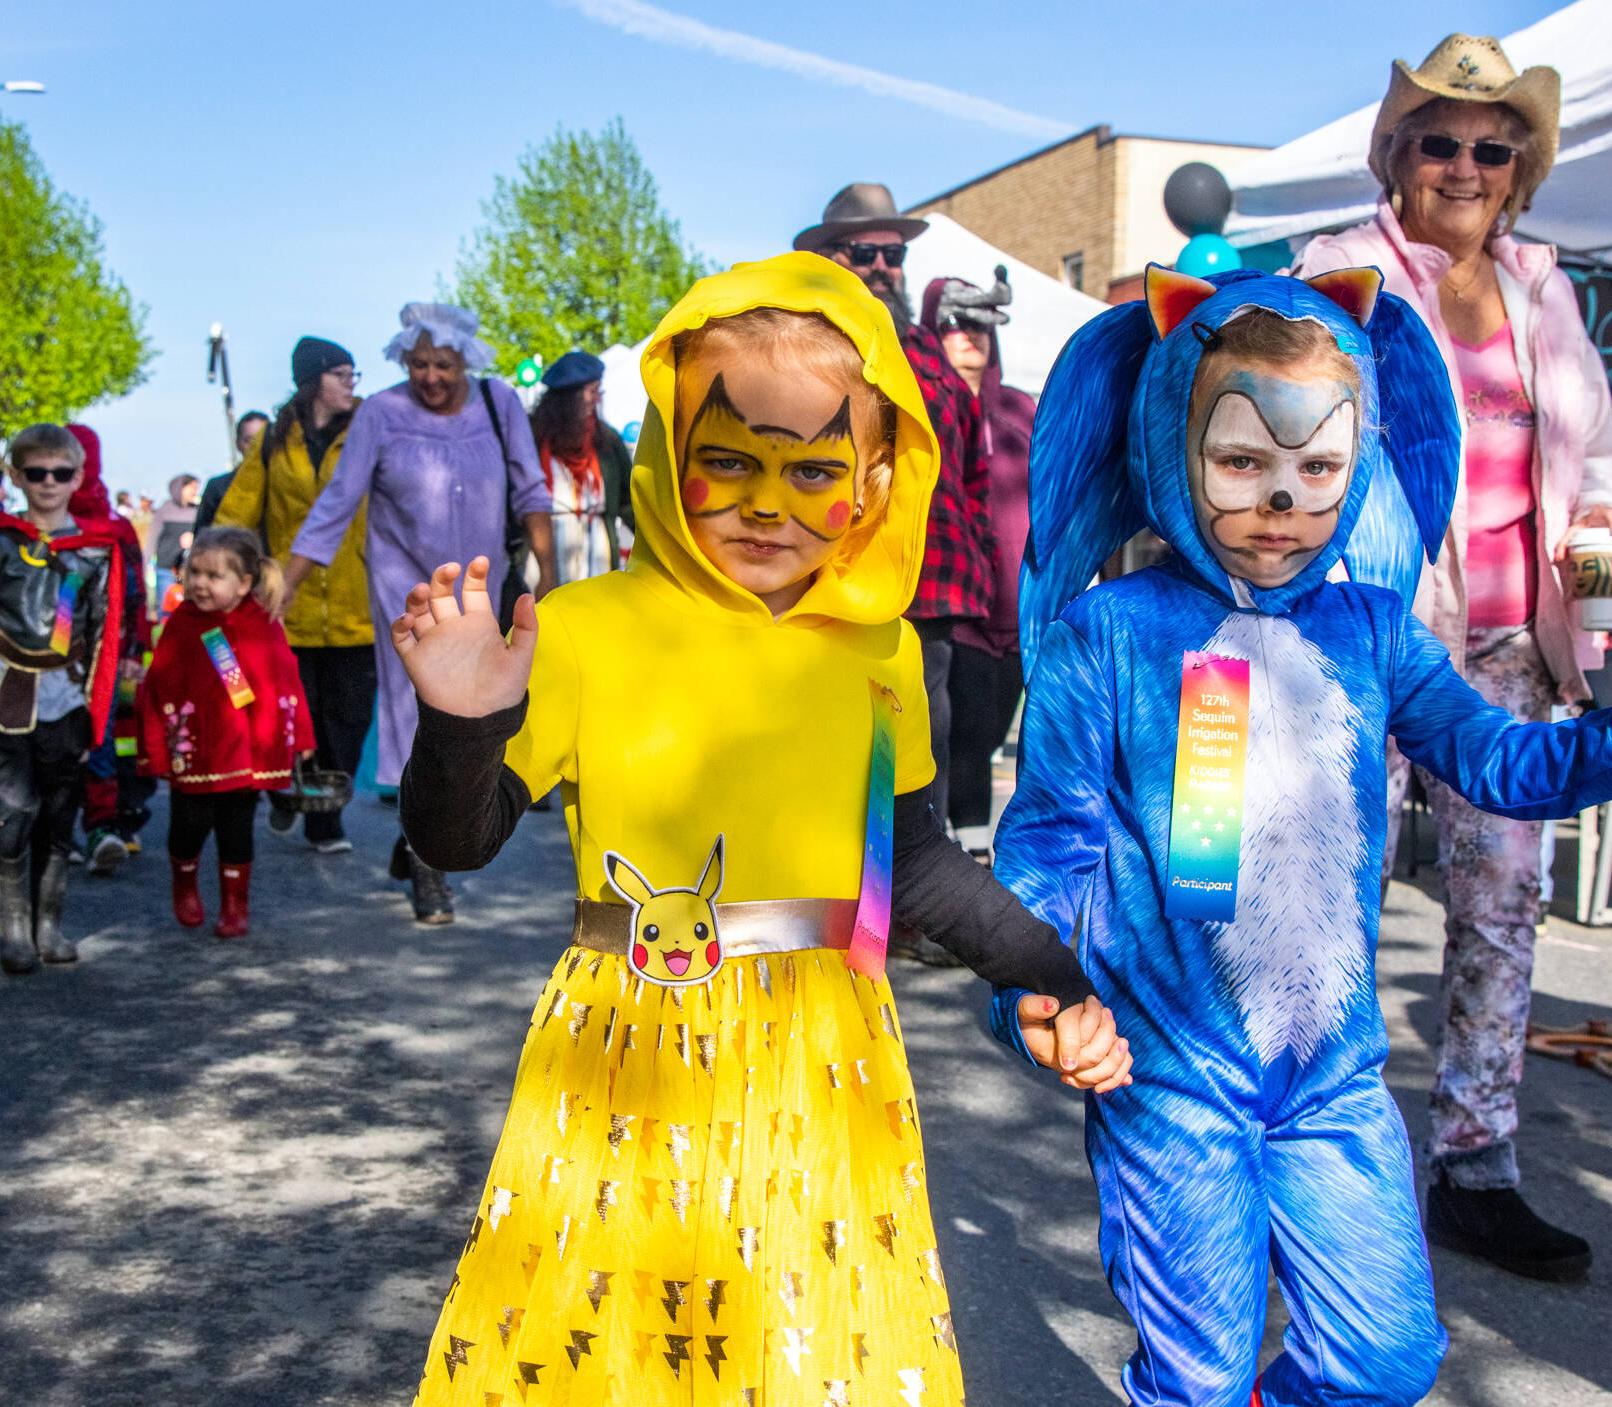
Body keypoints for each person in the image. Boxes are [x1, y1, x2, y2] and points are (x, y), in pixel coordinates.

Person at [391, 254, 1120, 1405]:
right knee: (614, 1339)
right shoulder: (587, 628)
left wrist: (1056, 979)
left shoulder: (879, 648)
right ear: (669, 460)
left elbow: (918, 865)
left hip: (827, 1058)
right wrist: (463, 723)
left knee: (811, 1343)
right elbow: (453, 840)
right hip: (629, 1056)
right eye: (726, 462)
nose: (767, 506)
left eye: (812, 469)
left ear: (876, 478)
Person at [987, 264, 1612, 1407]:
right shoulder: (1108, 634)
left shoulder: (1373, 630)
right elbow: (1042, 855)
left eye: (1316, 467)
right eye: (1239, 462)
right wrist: (1031, 1005)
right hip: (1169, 1074)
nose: (1281, 501)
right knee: (1197, 1373)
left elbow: (1493, 761)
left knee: (1384, 1359)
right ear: (1171, 447)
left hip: (1332, 1081)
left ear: (1357, 460)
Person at [1290, 32, 1612, 1279]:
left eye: (1490, 146)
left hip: (1513, 646)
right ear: (1395, 155)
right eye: (1437, 141)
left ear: (1520, 167)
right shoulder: (1338, 271)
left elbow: (1594, 471)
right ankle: (1310, 1147)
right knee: (1325, 899)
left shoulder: (1543, 286)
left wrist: (1607, 600)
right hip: (1370, 631)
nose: (1462, 164)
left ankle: (1474, 1164)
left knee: (1501, 911)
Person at [283, 303, 556, 923]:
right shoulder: (382, 412)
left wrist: (552, 575)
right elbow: (338, 500)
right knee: (422, 709)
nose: (430, 376)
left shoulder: (499, 402)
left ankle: (420, 839)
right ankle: (430, 867)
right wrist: (291, 582)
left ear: (468, 361)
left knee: (482, 710)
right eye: (418, 364)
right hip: (406, 590)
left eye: (444, 364)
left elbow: (531, 491)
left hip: (480, 592)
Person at [796, 185, 993, 851]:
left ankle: (909, 895)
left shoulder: (924, 346)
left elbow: (969, 466)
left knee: (920, 733)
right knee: (845, 734)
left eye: (894, 253)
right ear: (829, 256)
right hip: (841, 575)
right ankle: (845, 887)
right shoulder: (809, 338)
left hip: (931, 581)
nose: (884, 266)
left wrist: (979, 552)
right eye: (865, 251)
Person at [0, 424, 138, 975]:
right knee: (12, 810)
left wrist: (97, 707)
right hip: (9, 692)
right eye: (36, 473)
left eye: (60, 473)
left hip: (67, 698)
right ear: (17, 477)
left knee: (60, 812)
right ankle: (13, 931)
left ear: (78, 477)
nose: (48, 483)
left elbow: (106, 632)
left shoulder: (95, 551)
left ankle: (48, 925)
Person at [215, 337, 375, 855]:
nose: (352, 383)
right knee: (294, 714)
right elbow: (239, 509)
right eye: (342, 373)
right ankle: (313, 811)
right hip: (289, 607)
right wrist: (216, 564)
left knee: (349, 718)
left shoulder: (370, 430)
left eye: (354, 374)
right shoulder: (275, 440)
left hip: (359, 603)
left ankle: (320, 800)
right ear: (314, 381)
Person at [138, 527, 314, 938]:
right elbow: (157, 687)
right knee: (187, 829)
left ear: (245, 583)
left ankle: (236, 905)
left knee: (237, 831)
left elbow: (286, 681)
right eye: (193, 572)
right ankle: (185, 881)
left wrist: (301, 737)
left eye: (213, 576)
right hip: (195, 751)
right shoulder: (183, 624)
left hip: (246, 752)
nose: (198, 583)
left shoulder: (264, 623)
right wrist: (156, 751)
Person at [920, 271, 1033, 857]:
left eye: (984, 327)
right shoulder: (924, 409)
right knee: (953, 742)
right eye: (957, 325)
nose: (971, 338)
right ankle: (959, 857)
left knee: (992, 742)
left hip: (1021, 614)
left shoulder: (1020, 410)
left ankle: (975, 854)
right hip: (955, 611)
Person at [64, 424, 154, 876]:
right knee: (59, 747)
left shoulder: (116, 528)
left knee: (104, 741)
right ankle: (60, 832)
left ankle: (104, 825)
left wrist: (136, 652)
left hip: (109, 655)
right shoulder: (42, 524)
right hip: (53, 659)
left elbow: (135, 596)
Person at [527, 349, 633, 584]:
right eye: (592, 392)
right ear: (570, 398)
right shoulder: (532, 438)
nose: (598, 399)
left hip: (597, 550)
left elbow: (628, 502)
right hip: (545, 548)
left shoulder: (607, 440)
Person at [194, 411, 271, 534]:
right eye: (249, 440)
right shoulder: (217, 487)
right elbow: (201, 537)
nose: (256, 446)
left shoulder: (283, 487)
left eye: (261, 440)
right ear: (238, 443)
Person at [149, 475, 200, 605]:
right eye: (192, 487)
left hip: (189, 570)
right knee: (167, 608)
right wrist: (144, 566)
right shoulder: (164, 510)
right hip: (166, 569)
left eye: (196, 488)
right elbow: (152, 540)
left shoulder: (197, 511)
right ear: (179, 488)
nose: (195, 491)